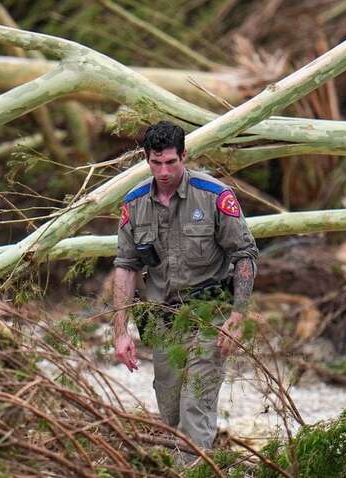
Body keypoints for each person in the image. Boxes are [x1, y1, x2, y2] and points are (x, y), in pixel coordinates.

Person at [112, 120, 258, 452]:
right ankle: (191, 464)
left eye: (171, 162)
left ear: (184, 156)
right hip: (164, 321)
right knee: (170, 411)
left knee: (196, 406)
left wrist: (238, 316)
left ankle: (193, 469)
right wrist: (121, 330)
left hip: (209, 315)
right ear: (146, 159)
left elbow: (245, 254)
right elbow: (125, 266)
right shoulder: (134, 205)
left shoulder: (214, 196)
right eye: (156, 162)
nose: (164, 171)